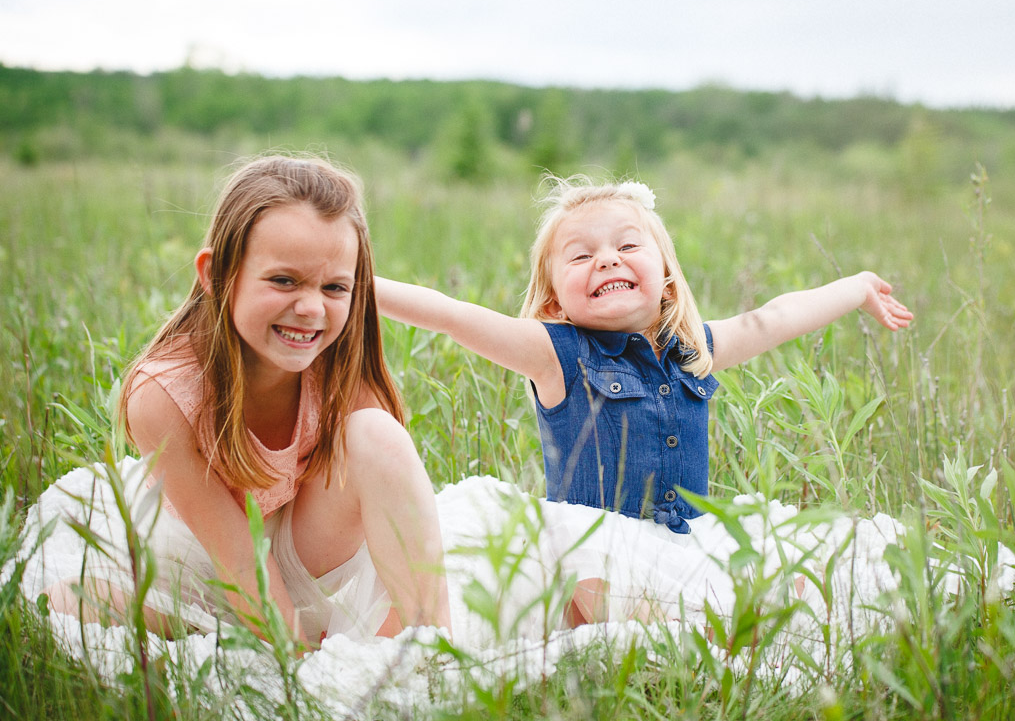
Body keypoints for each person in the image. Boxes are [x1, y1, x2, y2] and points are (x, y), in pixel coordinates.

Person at [374, 176, 913, 624]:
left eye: (628, 246)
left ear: (668, 280)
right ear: (555, 298)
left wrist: (857, 287)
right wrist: (349, 285)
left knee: (808, 574)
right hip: (598, 557)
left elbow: (777, 317)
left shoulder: (694, 349)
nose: (607, 260)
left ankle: (726, 619)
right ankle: (709, 625)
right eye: (581, 255)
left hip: (685, 546)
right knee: (603, 586)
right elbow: (448, 312)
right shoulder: (554, 353)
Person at [23, 155, 451, 645]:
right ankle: (248, 637)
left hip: (301, 548)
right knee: (66, 601)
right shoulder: (164, 393)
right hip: (199, 560)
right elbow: (241, 562)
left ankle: (434, 651)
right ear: (217, 274)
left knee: (378, 434)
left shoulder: (338, 364)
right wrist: (301, 669)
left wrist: (404, 631)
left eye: (335, 287)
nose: (311, 309)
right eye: (284, 280)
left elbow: (392, 504)